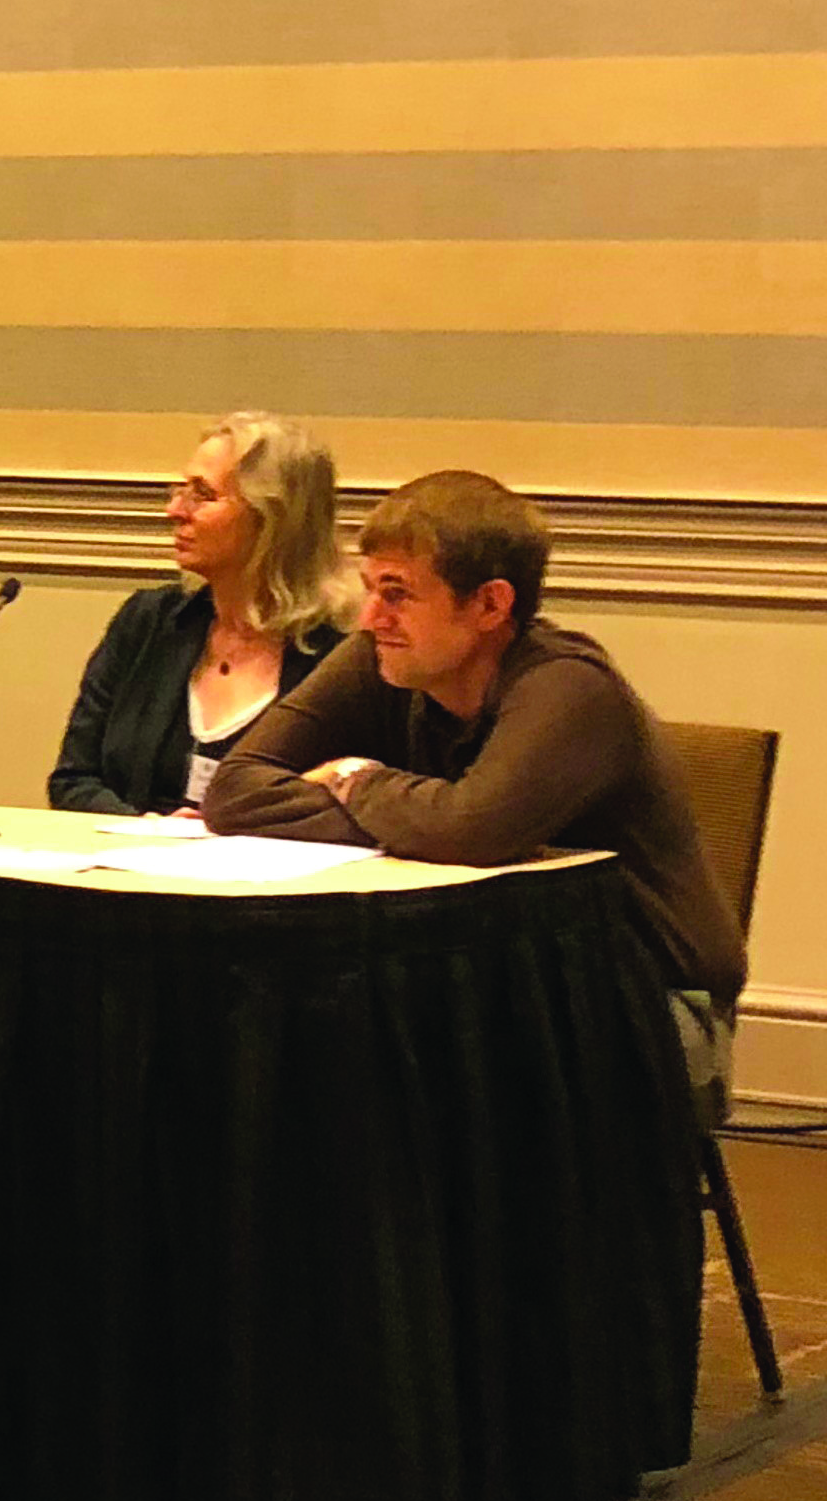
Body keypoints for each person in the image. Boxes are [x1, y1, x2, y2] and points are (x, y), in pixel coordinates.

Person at [204, 471, 747, 1104]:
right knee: (288, 1051)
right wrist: (417, 818)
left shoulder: (569, 686)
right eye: (371, 589)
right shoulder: (378, 657)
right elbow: (236, 791)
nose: (372, 616)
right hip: (494, 988)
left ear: (491, 605)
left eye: (399, 593)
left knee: (379, 1083)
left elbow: (472, 830)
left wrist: (360, 781)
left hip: (649, 1006)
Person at [51, 412, 352, 815]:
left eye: (202, 494)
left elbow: (352, 803)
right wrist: (152, 832)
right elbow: (73, 782)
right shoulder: (147, 623)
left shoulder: (342, 654)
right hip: (129, 867)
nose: (173, 510)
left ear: (272, 519)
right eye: (179, 489)